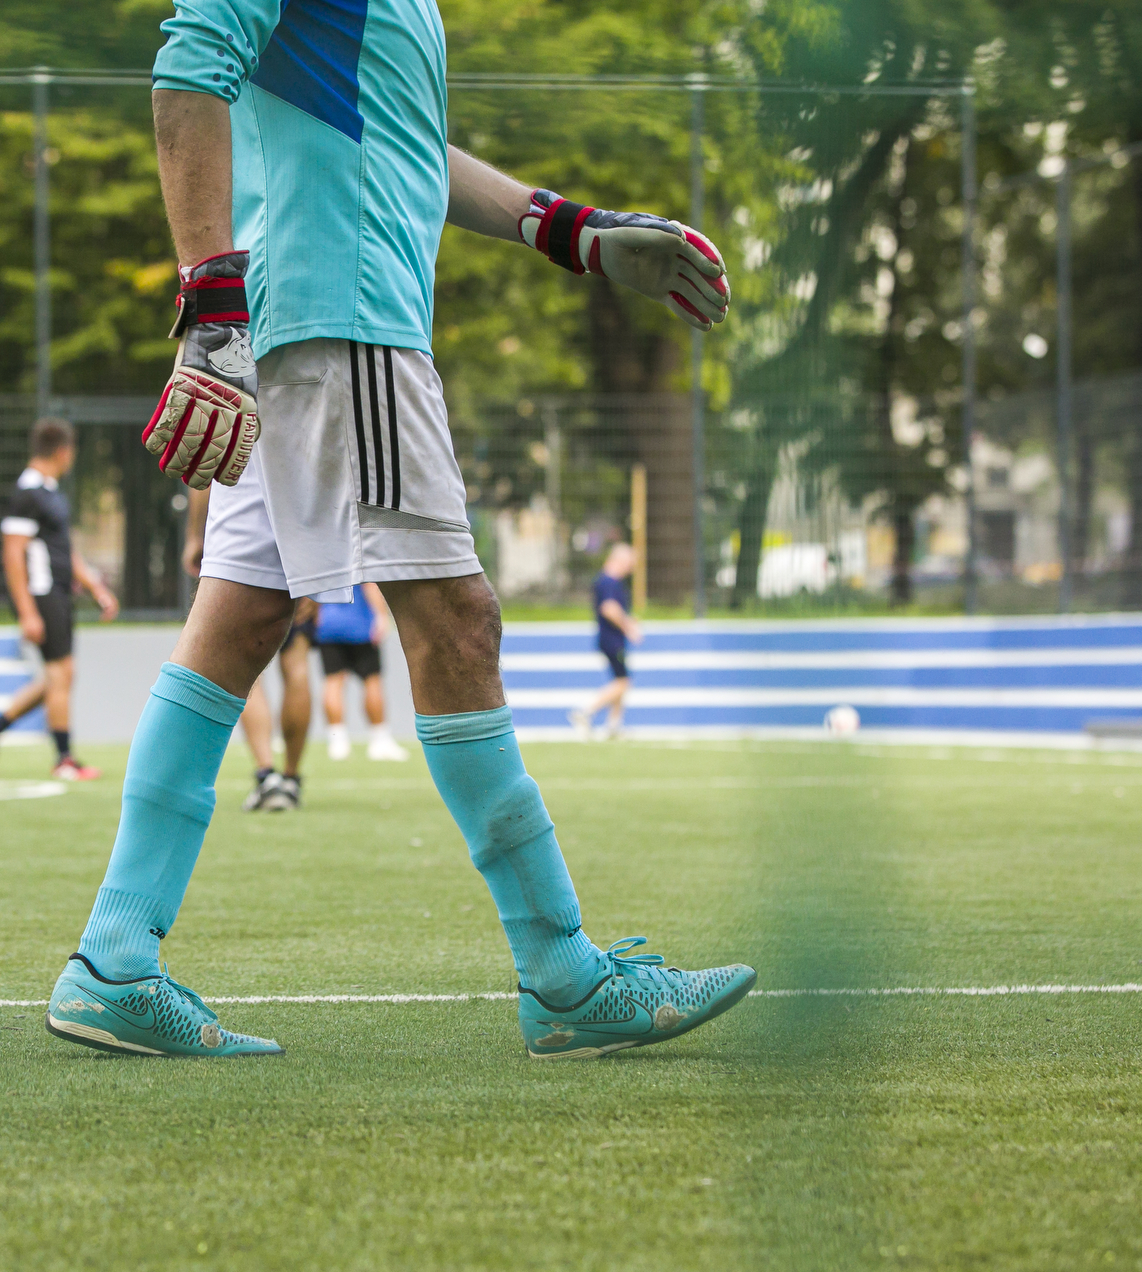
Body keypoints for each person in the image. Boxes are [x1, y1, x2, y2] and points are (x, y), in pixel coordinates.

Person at [44, 0, 752, 1060]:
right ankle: (562, 973)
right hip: (344, 319)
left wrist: (566, 230)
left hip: (302, 319)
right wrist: (210, 310)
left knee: (238, 623)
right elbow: (190, 65)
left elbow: (399, 143)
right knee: (456, 625)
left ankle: (113, 963)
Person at [0, 418, 120, 781]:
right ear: (63, 451)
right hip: (41, 594)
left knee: (60, 677)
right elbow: (12, 554)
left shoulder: (49, 492)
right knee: (60, 675)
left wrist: (95, 587)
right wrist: (27, 613)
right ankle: (64, 760)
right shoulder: (28, 493)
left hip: (57, 593)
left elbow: (64, 550)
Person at [184, 484, 314, 810]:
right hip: (300, 543)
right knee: (297, 668)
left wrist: (195, 537)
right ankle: (291, 779)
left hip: (242, 543)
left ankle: (267, 775)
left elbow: (204, 477)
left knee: (246, 670)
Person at [316, 583, 408, 762]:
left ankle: (337, 741)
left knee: (333, 682)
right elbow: (369, 585)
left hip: (329, 624)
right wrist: (381, 615)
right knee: (372, 681)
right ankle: (380, 740)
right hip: (360, 624)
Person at [571, 543, 644, 741]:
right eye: (629, 564)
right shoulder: (609, 581)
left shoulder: (606, 581)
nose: (630, 569)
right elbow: (609, 609)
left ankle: (614, 725)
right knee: (623, 682)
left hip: (611, 639)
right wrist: (628, 627)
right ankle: (585, 711)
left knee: (620, 679)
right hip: (612, 640)